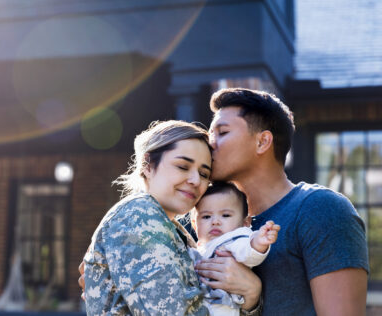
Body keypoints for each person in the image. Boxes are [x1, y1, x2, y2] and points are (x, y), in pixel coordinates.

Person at [194, 88, 369, 316]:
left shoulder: (321, 210)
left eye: (222, 132)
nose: (210, 144)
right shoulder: (204, 221)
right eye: (210, 135)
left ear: (262, 142)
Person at [83, 120, 212, 315]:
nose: (195, 180)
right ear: (147, 165)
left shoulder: (173, 228)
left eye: (204, 174)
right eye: (183, 166)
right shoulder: (138, 214)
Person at [187, 181, 280, 316]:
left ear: (245, 222)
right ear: (195, 225)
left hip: (222, 307)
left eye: (225, 215)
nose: (215, 221)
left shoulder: (234, 239)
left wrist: (259, 242)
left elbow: (247, 252)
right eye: (206, 216)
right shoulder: (199, 248)